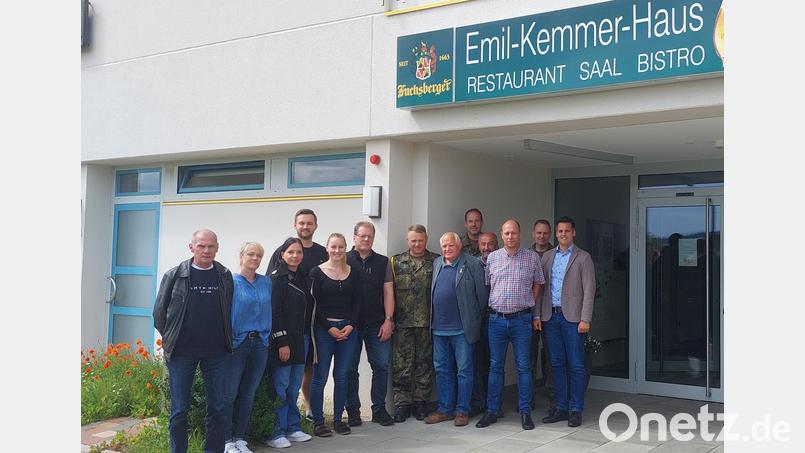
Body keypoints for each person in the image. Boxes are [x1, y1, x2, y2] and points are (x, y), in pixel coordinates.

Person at [153, 229, 234, 453]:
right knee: (180, 409)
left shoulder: (224, 275)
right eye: (201, 246)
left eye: (211, 246)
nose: (206, 250)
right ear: (191, 247)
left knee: (217, 408)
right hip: (182, 354)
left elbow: (227, 310)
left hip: (217, 353)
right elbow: (159, 313)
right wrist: (172, 339)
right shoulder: (175, 275)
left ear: (217, 248)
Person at [476, 220, 544, 431]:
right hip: (496, 320)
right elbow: (489, 284)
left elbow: (538, 283)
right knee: (495, 366)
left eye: (513, 233)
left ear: (520, 234)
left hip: (522, 320)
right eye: (506, 233)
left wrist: (528, 304)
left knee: (524, 367)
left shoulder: (532, 257)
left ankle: (525, 412)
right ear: (502, 235)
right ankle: (492, 410)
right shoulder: (493, 258)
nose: (510, 236)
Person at [266, 209, 328, 421]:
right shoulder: (278, 267)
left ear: (315, 226)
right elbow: (274, 300)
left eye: (309, 223)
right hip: (286, 331)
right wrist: (281, 337)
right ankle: (279, 427)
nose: (305, 226)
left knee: (303, 372)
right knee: (283, 381)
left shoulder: (321, 253)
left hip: (309, 327)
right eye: (301, 223)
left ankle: (299, 419)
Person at [425, 232, 488, 427]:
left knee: (464, 371)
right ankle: (445, 409)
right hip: (438, 328)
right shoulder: (437, 263)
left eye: (450, 245)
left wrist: (474, 321)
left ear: (459, 246)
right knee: (442, 370)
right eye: (444, 246)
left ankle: (462, 410)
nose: (447, 249)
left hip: (462, 329)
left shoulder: (473, 264)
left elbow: (482, 297)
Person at [539, 217, 596, 428]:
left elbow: (589, 289)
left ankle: (575, 409)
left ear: (574, 233)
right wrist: (537, 315)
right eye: (560, 231)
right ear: (556, 234)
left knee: (576, 365)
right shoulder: (546, 257)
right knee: (556, 364)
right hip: (550, 317)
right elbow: (540, 289)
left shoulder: (583, 257)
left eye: (566, 231)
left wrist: (585, 319)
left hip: (573, 319)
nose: (563, 234)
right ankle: (561, 408)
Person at [309, 233, 363, 437]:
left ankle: (338, 419)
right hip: (324, 331)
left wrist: (351, 325)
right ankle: (318, 422)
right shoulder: (317, 272)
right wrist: (328, 327)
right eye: (333, 247)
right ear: (327, 248)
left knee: (342, 376)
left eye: (341, 247)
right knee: (320, 377)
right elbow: (315, 305)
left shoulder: (354, 271)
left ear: (346, 247)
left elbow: (358, 302)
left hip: (348, 331)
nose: (337, 251)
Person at [222, 242, 272, 453]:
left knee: (248, 394)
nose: (255, 258)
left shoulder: (266, 282)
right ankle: (226, 441)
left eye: (259, 255)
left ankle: (240, 438)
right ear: (241, 255)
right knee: (229, 394)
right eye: (251, 254)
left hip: (260, 343)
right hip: (237, 344)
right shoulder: (230, 282)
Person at [345, 221, 396, 427]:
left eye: (370, 236)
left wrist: (388, 320)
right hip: (351, 325)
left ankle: (379, 409)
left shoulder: (383, 262)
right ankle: (353, 411)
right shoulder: (344, 259)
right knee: (349, 369)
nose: (366, 239)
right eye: (362, 236)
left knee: (382, 366)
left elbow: (388, 292)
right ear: (354, 237)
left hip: (377, 323)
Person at [266, 238, 315, 449]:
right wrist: (282, 342)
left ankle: (292, 427)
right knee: (280, 386)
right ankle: (275, 431)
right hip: (284, 341)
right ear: (282, 254)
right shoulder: (277, 279)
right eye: (291, 252)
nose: (295, 256)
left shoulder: (302, 277)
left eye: (299, 252)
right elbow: (275, 313)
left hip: (301, 339)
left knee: (294, 386)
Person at [390, 225, 440, 422]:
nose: (417, 244)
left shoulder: (436, 261)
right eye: (413, 240)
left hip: (427, 323)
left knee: (424, 364)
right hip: (402, 324)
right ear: (407, 240)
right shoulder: (395, 262)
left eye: (420, 240)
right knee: (401, 365)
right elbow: (389, 292)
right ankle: (402, 404)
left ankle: (421, 402)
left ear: (426, 239)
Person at [469, 231, 499, 417]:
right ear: (478, 245)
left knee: (494, 362)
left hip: (496, 319)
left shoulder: (503, 260)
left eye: (490, 244)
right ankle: (478, 402)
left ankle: (493, 403)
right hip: (476, 320)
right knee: (476, 362)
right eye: (483, 244)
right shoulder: (472, 264)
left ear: (496, 245)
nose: (486, 248)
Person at [529, 219, 556, 415]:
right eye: (539, 233)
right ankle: (529, 394)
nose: (542, 236)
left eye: (545, 233)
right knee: (529, 354)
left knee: (551, 354)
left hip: (550, 312)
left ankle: (553, 393)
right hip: (528, 313)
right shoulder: (525, 255)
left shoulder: (557, 255)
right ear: (533, 234)